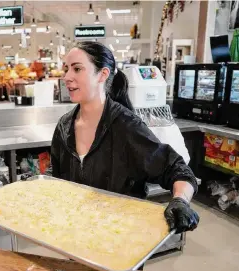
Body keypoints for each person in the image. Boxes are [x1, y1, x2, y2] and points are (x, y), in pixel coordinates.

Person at [50, 41, 199, 238]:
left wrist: (180, 200)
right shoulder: (64, 126)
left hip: (120, 236)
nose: (67, 77)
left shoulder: (126, 126)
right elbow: (59, 177)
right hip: (77, 234)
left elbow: (177, 169)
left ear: (102, 74)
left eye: (77, 69)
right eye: (66, 69)